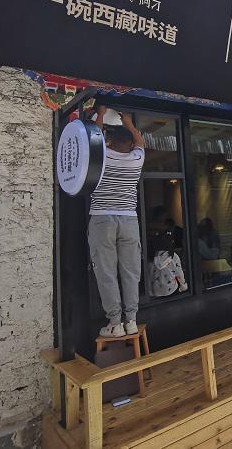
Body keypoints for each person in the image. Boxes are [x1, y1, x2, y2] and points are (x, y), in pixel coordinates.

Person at [88, 106, 145, 338]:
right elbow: (140, 141)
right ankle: (131, 321)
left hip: (102, 219)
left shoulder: (102, 156)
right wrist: (129, 122)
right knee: (131, 271)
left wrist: (101, 114)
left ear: (109, 142)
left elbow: (94, 136)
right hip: (129, 220)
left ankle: (114, 323)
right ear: (130, 145)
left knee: (106, 271)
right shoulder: (136, 160)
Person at [149, 232, 188, 297]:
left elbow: (150, 275)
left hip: (156, 291)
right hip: (171, 290)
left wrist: (150, 291)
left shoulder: (151, 258)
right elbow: (179, 273)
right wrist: (183, 286)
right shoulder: (173, 256)